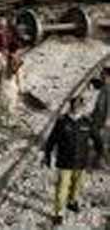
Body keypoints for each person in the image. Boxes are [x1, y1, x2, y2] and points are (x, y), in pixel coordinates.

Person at [44, 96, 104, 226]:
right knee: (62, 188)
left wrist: (99, 155)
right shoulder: (62, 122)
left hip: (81, 163)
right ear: (71, 106)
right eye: (75, 106)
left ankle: (72, 201)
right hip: (64, 162)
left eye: (80, 106)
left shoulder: (87, 122)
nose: (77, 108)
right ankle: (58, 213)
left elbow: (97, 140)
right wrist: (47, 155)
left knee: (77, 185)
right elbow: (51, 140)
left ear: (83, 108)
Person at [90, 66, 110, 160]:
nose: (101, 76)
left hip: (104, 118)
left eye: (103, 75)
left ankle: (103, 158)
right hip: (99, 117)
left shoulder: (108, 88)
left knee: (102, 140)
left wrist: (108, 119)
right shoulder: (104, 87)